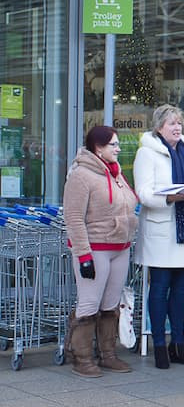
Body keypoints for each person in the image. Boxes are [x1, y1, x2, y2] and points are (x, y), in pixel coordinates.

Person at [134, 104, 184, 369]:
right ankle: (159, 346)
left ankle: (179, 343)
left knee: (181, 290)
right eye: (171, 124)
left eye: (179, 123)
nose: (177, 128)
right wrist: (168, 197)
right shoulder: (147, 152)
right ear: (159, 127)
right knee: (160, 287)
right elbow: (142, 193)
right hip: (162, 228)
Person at [62, 126, 138, 378]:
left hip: (120, 246)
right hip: (95, 247)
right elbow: (73, 217)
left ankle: (108, 354)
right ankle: (81, 357)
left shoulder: (115, 173)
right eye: (114, 145)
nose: (118, 149)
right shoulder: (81, 175)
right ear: (99, 147)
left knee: (110, 303)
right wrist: (83, 255)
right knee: (89, 302)